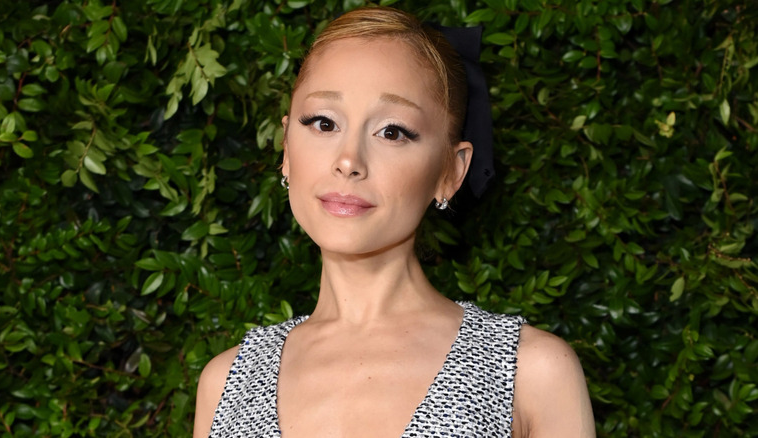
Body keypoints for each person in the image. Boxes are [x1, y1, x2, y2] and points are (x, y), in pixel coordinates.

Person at [193, 6, 595, 438]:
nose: (348, 161)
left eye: (392, 132)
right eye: (324, 123)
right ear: (287, 148)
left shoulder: (531, 373)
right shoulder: (225, 383)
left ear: (452, 171)